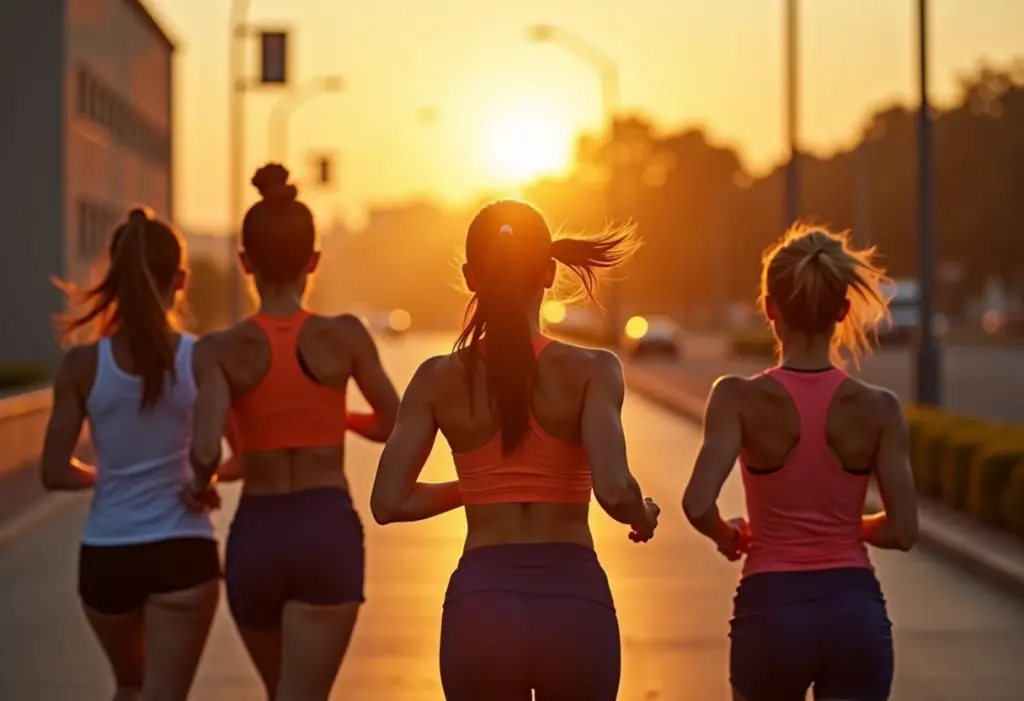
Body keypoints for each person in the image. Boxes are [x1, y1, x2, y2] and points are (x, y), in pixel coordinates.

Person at [371, 199, 661, 701]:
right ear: (549, 273)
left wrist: (477, 487)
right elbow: (615, 491)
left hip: (481, 606)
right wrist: (645, 515)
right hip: (574, 606)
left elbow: (387, 502)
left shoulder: (436, 379)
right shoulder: (594, 369)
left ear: (470, 277)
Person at [187, 163, 400, 701]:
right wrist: (337, 418)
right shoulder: (345, 336)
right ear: (314, 261)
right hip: (325, 530)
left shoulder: (218, 350)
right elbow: (393, 421)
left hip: (257, 536)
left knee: (280, 690)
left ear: (244, 264)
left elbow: (206, 450)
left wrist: (202, 483)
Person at [682, 225, 919, 701]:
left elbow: (696, 503)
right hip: (855, 614)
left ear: (770, 308)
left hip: (771, 613)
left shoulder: (737, 398)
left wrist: (731, 536)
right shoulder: (880, 408)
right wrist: (851, 528)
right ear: (843, 310)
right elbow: (904, 530)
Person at [40, 208, 232, 701]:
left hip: (107, 557)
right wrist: (198, 485)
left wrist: (107, 478)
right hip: (182, 553)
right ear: (181, 280)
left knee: (129, 685)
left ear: (116, 279)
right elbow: (239, 455)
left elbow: (54, 472)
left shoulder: (82, 365)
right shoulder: (202, 356)